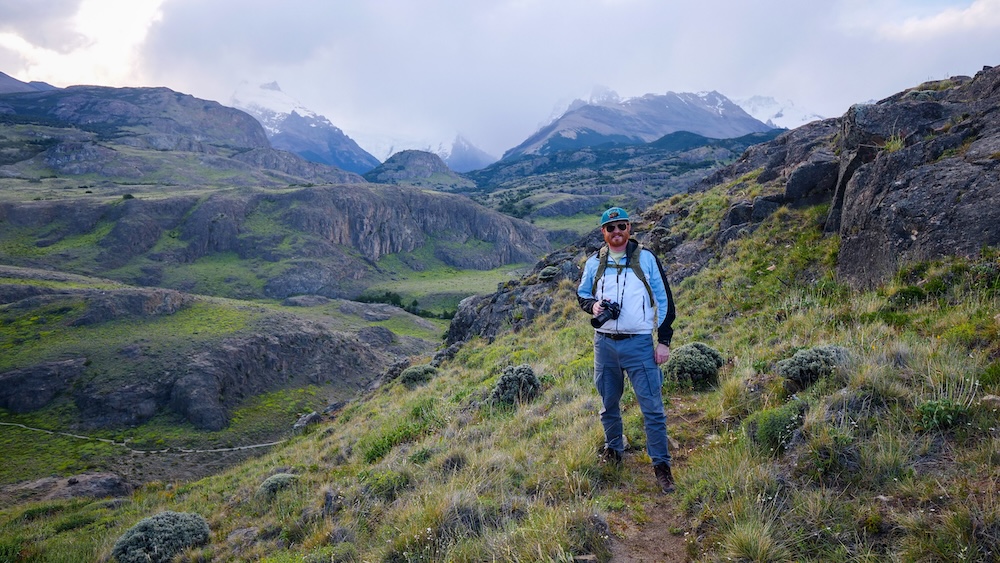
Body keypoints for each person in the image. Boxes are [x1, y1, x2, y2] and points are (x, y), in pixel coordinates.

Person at [577, 206, 677, 493]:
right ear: (603, 233)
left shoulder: (646, 260)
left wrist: (663, 341)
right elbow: (582, 294)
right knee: (608, 403)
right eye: (611, 228)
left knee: (653, 409)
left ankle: (661, 465)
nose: (617, 232)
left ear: (629, 229)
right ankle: (614, 449)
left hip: (639, 344)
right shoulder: (595, 262)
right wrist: (593, 306)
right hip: (604, 344)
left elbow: (665, 300)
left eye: (622, 226)